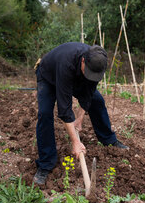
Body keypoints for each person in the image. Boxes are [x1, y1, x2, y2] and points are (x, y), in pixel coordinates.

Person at [34, 42, 128, 185]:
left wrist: (79, 118)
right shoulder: (67, 63)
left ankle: (109, 139)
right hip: (49, 76)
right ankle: (46, 163)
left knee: (97, 100)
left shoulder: (96, 64)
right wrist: (75, 142)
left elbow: (88, 94)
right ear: (83, 60)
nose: (92, 76)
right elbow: (64, 108)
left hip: (76, 76)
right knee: (45, 113)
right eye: (89, 72)